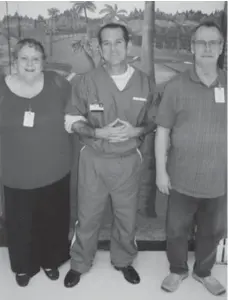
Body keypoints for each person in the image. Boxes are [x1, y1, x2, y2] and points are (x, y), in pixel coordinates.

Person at [63, 23, 156, 288]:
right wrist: (97, 132)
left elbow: (154, 121)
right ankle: (80, 262)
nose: (113, 48)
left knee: (127, 216)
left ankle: (124, 261)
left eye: (118, 42)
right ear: (100, 48)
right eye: (106, 43)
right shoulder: (86, 81)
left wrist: (136, 130)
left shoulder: (144, 81)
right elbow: (71, 120)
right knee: (88, 215)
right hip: (94, 159)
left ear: (128, 46)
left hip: (128, 161)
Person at [155, 21, 227, 296]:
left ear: (221, 48)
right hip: (181, 178)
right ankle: (177, 270)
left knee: (212, 231)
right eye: (201, 43)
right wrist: (161, 172)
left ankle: (204, 273)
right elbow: (162, 130)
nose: (207, 48)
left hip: (218, 179)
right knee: (176, 230)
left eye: (213, 43)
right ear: (192, 48)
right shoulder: (176, 86)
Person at [0, 38, 73, 287]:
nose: (30, 63)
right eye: (24, 58)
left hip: (55, 170)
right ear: (15, 61)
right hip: (15, 174)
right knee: (20, 223)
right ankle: (24, 267)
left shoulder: (58, 83)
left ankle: (51, 260)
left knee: (52, 219)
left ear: (43, 62)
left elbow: (77, 113)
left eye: (36, 58)